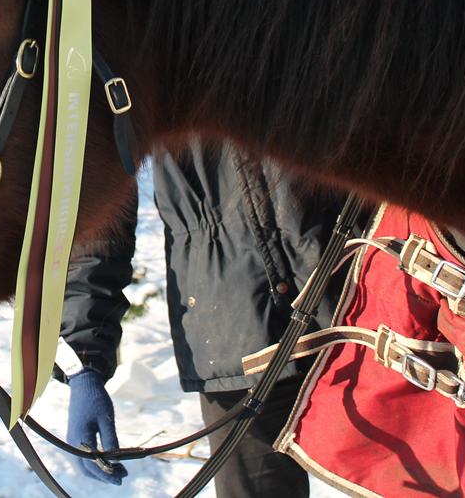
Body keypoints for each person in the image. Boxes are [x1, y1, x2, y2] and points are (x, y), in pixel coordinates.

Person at [58, 140, 348, 496]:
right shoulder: (139, 85)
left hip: (360, 303)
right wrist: (84, 364)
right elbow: (101, 224)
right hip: (231, 335)